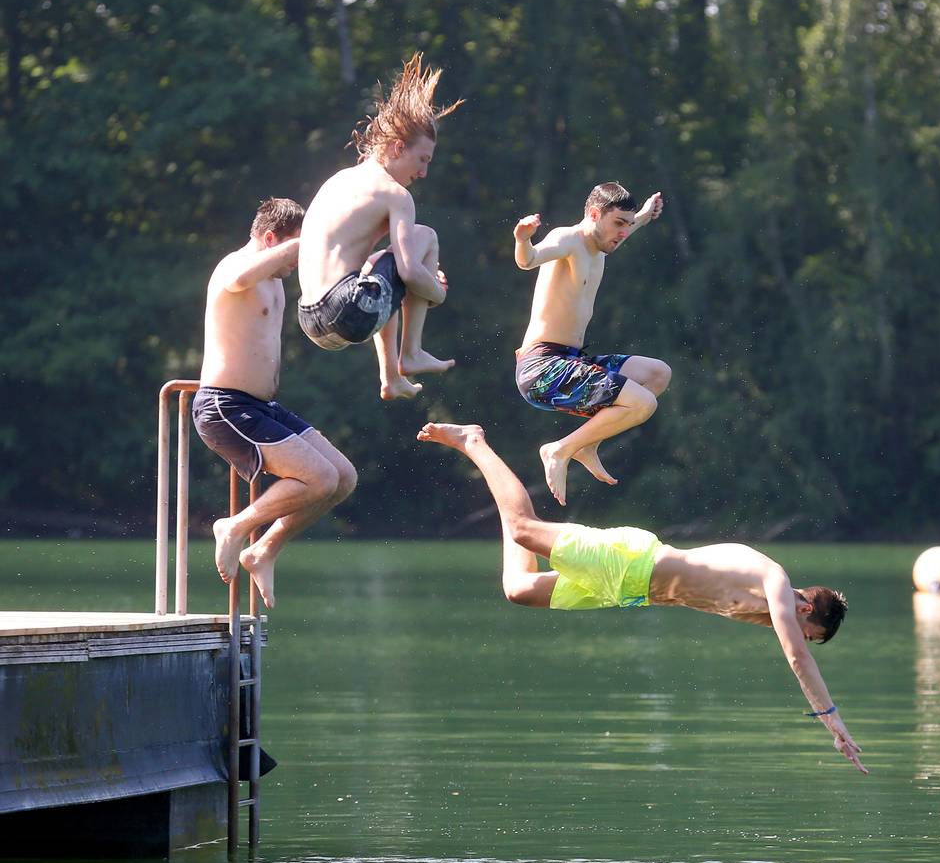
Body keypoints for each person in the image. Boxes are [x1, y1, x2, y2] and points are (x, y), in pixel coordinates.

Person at [417, 421, 868, 774]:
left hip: (627, 591)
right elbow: (796, 659)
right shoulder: (772, 581)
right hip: (630, 561)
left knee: (518, 589)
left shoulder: (759, 605)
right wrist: (831, 718)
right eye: (808, 633)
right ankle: (474, 441)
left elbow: (790, 646)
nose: (796, 635)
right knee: (522, 529)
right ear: (806, 609)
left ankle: (507, 498)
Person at [193, 198, 357, 609]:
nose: (296, 263)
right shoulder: (234, 266)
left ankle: (263, 550)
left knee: (343, 476)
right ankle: (233, 528)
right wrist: (306, 240)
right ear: (271, 239)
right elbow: (239, 278)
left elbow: (343, 265)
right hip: (224, 407)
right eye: (296, 249)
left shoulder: (277, 278)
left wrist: (398, 267)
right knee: (318, 477)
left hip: (260, 406)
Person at [298, 52, 463, 400]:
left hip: (310, 319)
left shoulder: (341, 179)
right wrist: (436, 290)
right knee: (425, 237)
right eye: (422, 160)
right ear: (398, 147)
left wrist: (419, 282)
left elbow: (392, 271)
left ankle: (391, 378)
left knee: (375, 266)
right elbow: (410, 271)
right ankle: (412, 352)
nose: (423, 173)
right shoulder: (395, 194)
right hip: (346, 310)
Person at [513, 181, 670, 506]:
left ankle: (588, 444)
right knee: (643, 403)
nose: (623, 232)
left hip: (573, 361)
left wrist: (643, 215)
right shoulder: (568, 239)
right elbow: (529, 260)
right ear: (594, 215)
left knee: (658, 374)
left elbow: (630, 223)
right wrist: (522, 239)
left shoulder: (602, 245)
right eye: (618, 224)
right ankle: (559, 450)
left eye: (627, 225)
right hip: (542, 368)